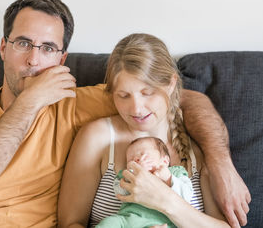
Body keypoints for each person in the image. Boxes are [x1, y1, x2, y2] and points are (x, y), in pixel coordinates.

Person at [0, 0, 249, 227]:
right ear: (3, 47)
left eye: (47, 49)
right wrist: (31, 100)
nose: (33, 60)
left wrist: (221, 164)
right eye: (23, 43)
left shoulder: (82, 103)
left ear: (62, 59)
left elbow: (183, 100)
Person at [58, 33, 245, 228]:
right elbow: (70, 223)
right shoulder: (97, 138)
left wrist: (164, 200)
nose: (136, 109)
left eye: (147, 93)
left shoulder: (199, 140)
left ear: (171, 84)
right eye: (123, 96)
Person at [96, 136, 193, 228]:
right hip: (129, 219)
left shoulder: (175, 173)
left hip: (164, 221)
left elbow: (187, 195)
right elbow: (119, 193)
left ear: (165, 161)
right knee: (110, 222)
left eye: (143, 155)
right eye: (131, 159)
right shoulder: (126, 175)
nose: (136, 160)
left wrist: (168, 179)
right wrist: (128, 179)